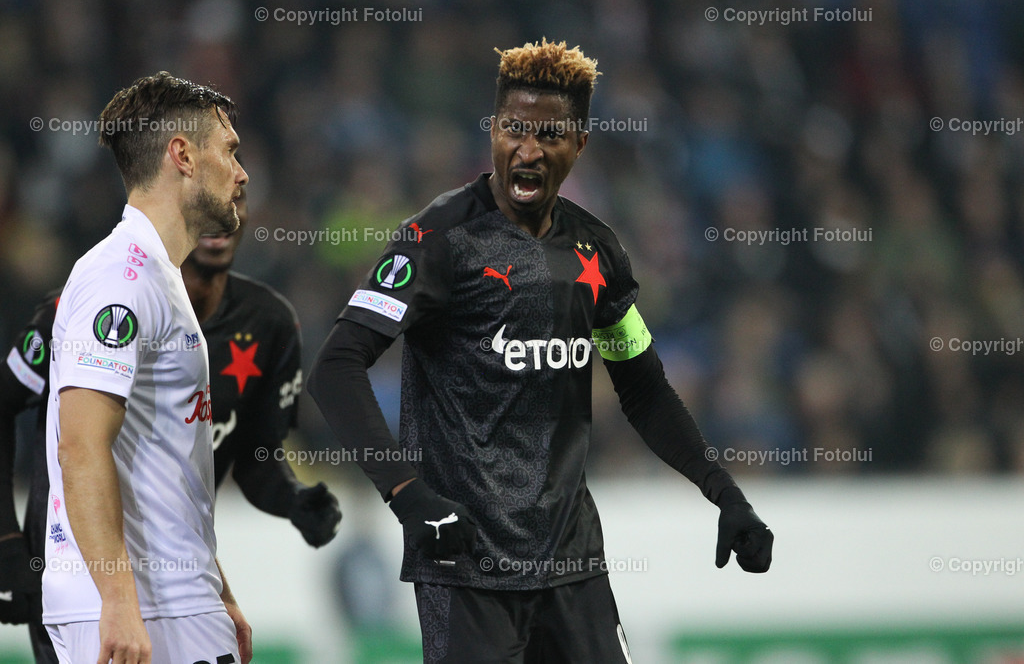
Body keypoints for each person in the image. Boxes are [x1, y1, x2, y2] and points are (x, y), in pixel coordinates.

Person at [307, 39, 774, 663]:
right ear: (493, 130)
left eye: (548, 134)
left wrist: (723, 491)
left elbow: (642, 387)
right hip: (466, 566)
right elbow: (336, 368)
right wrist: (407, 496)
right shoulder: (437, 239)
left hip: (573, 567)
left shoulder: (596, 251)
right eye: (513, 129)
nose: (526, 149)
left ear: (579, 144)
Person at [0, 182, 342, 662]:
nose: (231, 207)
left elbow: (253, 458)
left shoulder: (270, 324)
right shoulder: (96, 301)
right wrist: (8, 538)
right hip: (84, 576)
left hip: (181, 577)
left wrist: (293, 499)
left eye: (241, 200)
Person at [42, 71, 251, 664]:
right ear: (182, 155)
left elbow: (166, 459)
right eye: (230, 151)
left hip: (176, 599)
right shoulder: (119, 277)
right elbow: (80, 446)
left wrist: (217, 588)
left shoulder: (158, 276)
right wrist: (117, 600)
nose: (241, 175)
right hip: (145, 609)